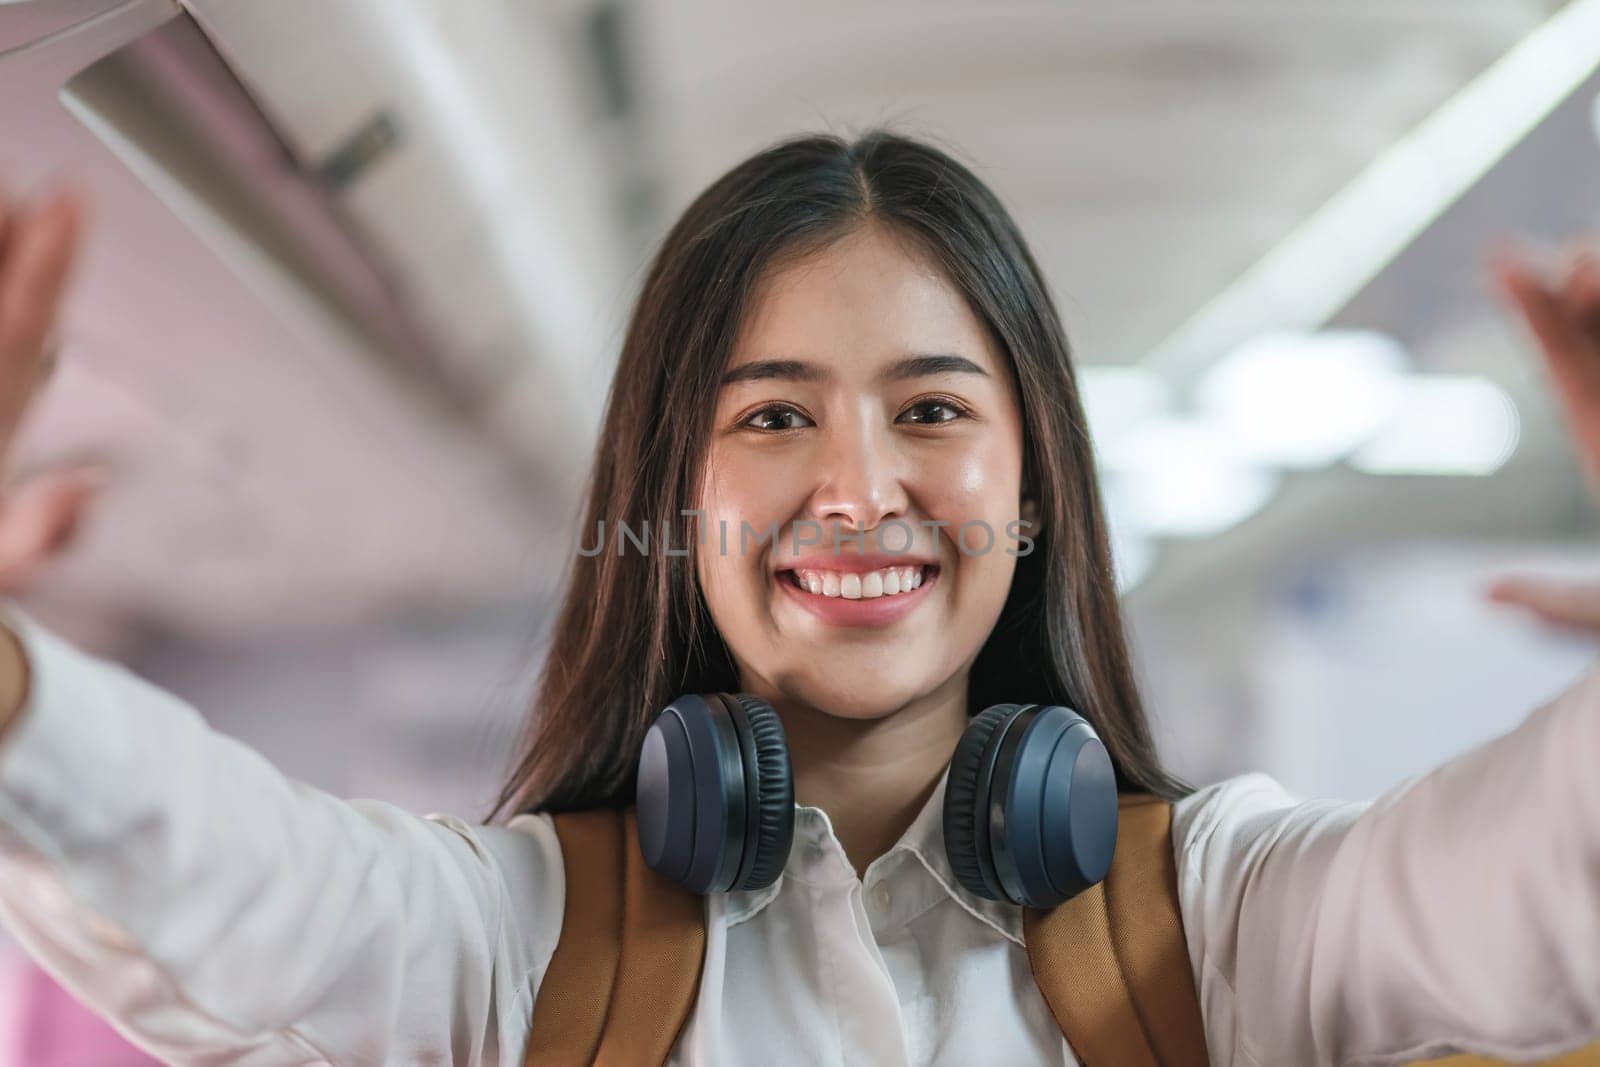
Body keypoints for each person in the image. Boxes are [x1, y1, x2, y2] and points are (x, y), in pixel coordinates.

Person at [0, 129, 1596, 1066]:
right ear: (669, 496)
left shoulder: (1232, 927)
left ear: (1032, 489)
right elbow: (220, 874)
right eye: (772, 416)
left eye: (931, 410)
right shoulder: (520, 946)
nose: (857, 489)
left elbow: (1529, 879)